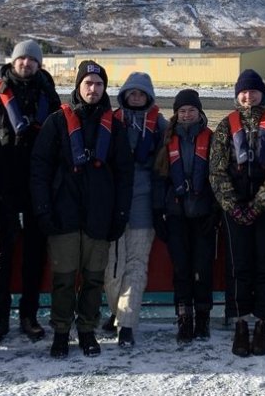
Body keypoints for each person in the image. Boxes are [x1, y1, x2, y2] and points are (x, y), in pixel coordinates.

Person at [31, 60, 134, 358]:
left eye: (99, 84)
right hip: (63, 215)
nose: (93, 88)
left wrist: (121, 214)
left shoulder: (114, 127)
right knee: (63, 278)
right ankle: (61, 332)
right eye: (88, 83)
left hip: (99, 217)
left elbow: (125, 173)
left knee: (92, 279)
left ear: (105, 89)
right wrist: (43, 210)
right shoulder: (56, 123)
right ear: (78, 86)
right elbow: (39, 169)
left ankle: (87, 330)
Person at [0, 39, 61, 343]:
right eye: (21, 59)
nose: (26, 64)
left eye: (32, 60)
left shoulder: (49, 97)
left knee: (35, 253)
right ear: (12, 62)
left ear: (39, 65)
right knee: (1, 255)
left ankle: (29, 315)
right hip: (2, 185)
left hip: (38, 186)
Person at [208, 68, 265, 358]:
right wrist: (233, 206)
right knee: (237, 265)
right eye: (243, 91)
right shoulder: (225, 127)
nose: (248, 95)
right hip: (235, 209)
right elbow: (216, 171)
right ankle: (240, 321)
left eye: (253, 91)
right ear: (237, 95)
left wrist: (258, 204)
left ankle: (263, 322)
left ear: (262, 94)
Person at [101, 72, 168, 347]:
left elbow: (166, 167)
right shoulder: (110, 122)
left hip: (143, 202)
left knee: (136, 265)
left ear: (149, 97)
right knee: (112, 268)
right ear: (125, 95)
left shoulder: (160, 125)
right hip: (114, 202)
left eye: (141, 93)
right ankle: (118, 312)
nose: (136, 97)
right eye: (132, 92)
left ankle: (126, 325)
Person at [154, 89, 219, 343]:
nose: (187, 114)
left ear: (199, 112)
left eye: (191, 110)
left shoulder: (211, 138)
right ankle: (184, 318)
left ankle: (203, 317)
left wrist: (215, 211)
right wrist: (158, 212)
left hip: (203, 214)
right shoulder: (167, 140)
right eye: (182, 111)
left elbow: (218, 178)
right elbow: (159, 179)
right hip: (176, 214)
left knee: (202, 268)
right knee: (181, 269)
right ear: (176, 114)